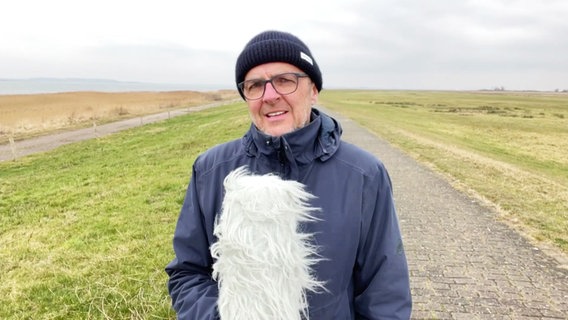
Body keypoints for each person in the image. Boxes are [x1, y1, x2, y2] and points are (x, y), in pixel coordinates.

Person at [165, 30, 412, 319]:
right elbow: (187, 272)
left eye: (285, 81)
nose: (270, 96)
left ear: (314, 90)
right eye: (255, 85)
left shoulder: (364, 174)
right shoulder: (210, 169)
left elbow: (385, 291)